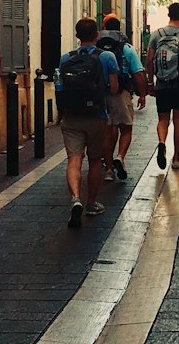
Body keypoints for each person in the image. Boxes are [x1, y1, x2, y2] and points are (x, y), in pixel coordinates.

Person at [56, 17, 119, 229]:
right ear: (97, 35)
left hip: (71, 116)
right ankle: (91, 203)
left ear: (77, 36)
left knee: (74, 159)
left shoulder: (66, 58)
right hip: (96, 115)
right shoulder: (107, 56)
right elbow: (113, 87)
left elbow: (60, 86)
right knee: (94, 160)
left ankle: (75, 197)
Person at [146, 2, 179, 172]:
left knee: (163, 119)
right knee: (178, 120)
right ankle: (176, 158)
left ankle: (161, 142)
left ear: (168, 14)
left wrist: (150, 82)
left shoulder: (156, 35)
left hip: (162, 83)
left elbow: (149, 60)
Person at [97, 12, 147, 181]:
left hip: (100, 95)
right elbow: (138, 73)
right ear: (120, 29)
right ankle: (120, 156)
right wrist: (142, 94)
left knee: (107, 132)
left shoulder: (96, 46)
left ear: (104, 28)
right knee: (126, 128)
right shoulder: (126, 47)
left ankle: (109, 170)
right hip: (121, 93)